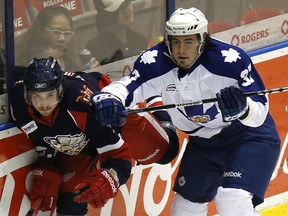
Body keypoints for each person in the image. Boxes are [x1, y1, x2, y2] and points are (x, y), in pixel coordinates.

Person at [91, 7, 281, 216]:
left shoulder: (230, 61)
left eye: (189, 41)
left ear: (203, 40)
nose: (181, 50)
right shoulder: (156, 62)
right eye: (176, 41)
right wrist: (109, 98)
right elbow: (129, 86)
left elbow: (260, 109)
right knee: (184, 211)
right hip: (203, 144)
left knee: (232, 200)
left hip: (247, 137)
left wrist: (245, 109)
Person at [10, 57, 179, 215]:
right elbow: (41, 133)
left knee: (165, 152)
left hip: (110, 115)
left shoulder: (83, 107)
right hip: (80, 142)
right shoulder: (18, 104)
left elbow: (119, 156)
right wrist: (46, 162)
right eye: (37, 97)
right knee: (71, 203)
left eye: (49, 95)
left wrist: (110, 177)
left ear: (60, 91)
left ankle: (154, 99)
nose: (44, 104)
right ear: (27, 94)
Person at [15, 6, 99, 73]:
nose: (62, 38)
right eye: (56, 32)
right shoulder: (24, 67)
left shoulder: (68, 60)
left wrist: (89, 72)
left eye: (67, 33)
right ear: (40, 31)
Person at [86, 0, 148, 65]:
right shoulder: (96, 47)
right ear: (107, 15)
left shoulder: (141, 40)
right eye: (120, 7)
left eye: (127, 3)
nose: (126, 10)